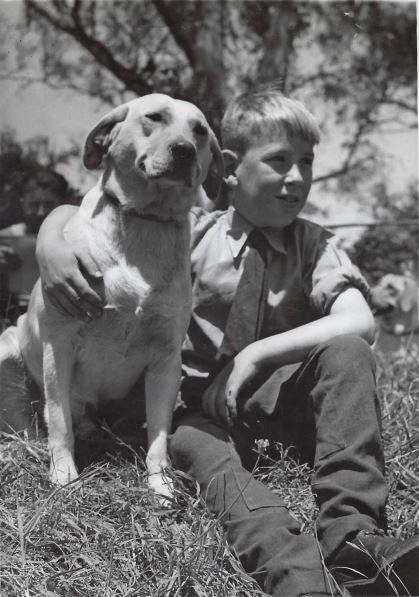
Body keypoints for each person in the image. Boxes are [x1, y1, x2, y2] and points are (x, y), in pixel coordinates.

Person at [34, 90, 418, 597]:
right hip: (198, 411)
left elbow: (360, 320)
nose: (297, 178)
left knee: (350, 350)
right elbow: (95, 216)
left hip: (276, 397)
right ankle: (298, 580)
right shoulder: (187, 231)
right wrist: (49, 235)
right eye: (279, 161)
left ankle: (355, 541)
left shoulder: (316, 243)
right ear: (226, 168)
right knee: (212, 464)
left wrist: (257, 354)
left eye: (306, 162)